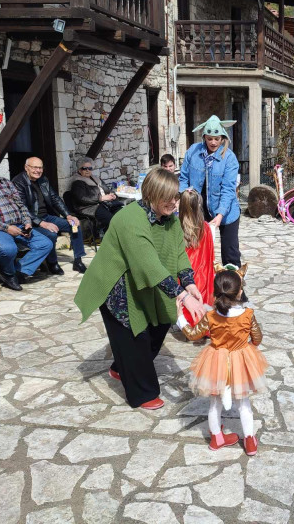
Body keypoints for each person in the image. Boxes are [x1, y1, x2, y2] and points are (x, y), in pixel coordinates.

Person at [74, 166, 206, 410]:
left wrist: (188, 282)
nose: (174, 202)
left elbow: (178, 253)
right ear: (152, 195)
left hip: (144, 278)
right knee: (135, 336)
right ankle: (142, 393)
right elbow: (148, 264)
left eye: (175, 196)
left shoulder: (169, 218)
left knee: (160, 323)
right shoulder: (130, 219)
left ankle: (120, 367)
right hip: (116, 283)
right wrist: (182, 296)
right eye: (167, 197)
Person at [180, 265, 267, 455]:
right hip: (241, 361)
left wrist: (180, 318)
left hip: (215, 361)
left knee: (215, 403)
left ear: (216, 292)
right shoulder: (248, 315)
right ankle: (250, 441)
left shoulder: (211, 316)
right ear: (240, 292)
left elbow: (193, 334)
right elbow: (257, 339)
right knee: (243, 403)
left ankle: (217, 438)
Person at [0, 152, 54, 292]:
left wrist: (27, 222)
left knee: (45, 244)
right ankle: (8, 274)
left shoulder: (6, 183)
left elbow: (21, 205)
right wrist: (6, 228)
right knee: (9, 249)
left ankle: (17, 272)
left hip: (18, 225)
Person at [179, 115, 242, 268]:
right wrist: (183, 197)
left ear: (223, 138)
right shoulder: (193, 152)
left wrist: (220, 215)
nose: (213, 142)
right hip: (199, 209)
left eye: (217, 139)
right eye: (210, 139)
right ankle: (203, 281)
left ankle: (235, 283)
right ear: (204, 137)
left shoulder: (229, 158)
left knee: (230, 254)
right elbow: (183, 177)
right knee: (199, 252)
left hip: (227, 212)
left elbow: (228, 189)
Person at [13, 157, 87, 274]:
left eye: (40, 168)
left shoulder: (43, 180)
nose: (38, 170)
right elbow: (22, 209)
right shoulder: (18, 183)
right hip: (30, 222)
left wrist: (68, 215)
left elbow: (55, 198)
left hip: (46, 216)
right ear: (26, 167)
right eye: (35, 167)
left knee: (74, 225)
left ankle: (78, 261)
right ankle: (52, 263)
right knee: (51, 234)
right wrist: (42, 223)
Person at [176, 188, 215, 327]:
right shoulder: (205, 228)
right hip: (203, 272)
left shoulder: (176, 227)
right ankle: (201, 321)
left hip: (184, 272)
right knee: (200, 296)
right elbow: (210, 254)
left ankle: (186, 321)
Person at [68, 157, 123, 233]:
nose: (87, 170)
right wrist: (101, 198)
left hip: (102, 204)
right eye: (84, 168)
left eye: (89, 168)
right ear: (79, 170)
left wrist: (112, 195)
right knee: (110, 219)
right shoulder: (77, 182)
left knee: (121, 213)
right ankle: (110, 236)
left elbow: (107, 189)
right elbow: (82, 198)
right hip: (89, 207)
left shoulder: (96, 179)